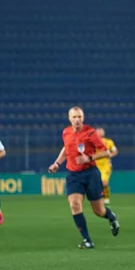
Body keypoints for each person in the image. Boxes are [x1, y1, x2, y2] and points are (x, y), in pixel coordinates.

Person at [48, 106, 120, 249]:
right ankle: (87, 240)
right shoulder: (66, 132)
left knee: (99, 211)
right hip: (73, 174)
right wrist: (57, 163)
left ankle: (112, 218)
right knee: (75, 205)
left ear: (83, 118)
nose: (77, 120)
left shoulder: (91, 133)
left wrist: (90, 157)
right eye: (74, 117)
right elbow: (66, 149)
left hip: (90, 173)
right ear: (69, 119)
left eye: (79, 117)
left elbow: (105, 152)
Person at [94, 127, 119, 205]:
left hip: (105, 165)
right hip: (95, 165)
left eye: (101, 131)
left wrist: (110, 155)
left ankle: (106, 197)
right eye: (98, 131)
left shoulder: (109, 142)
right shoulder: (92, 142)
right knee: (96, 184)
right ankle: (98, 197)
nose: (100, 133)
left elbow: (115, 151)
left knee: (104, 183)